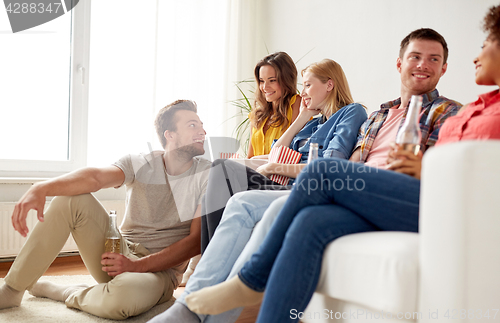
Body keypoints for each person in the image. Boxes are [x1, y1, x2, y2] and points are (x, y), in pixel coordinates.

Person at [184, 13, 500, 323]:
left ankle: (252, 279)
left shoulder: (449, 112)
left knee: (322, 171)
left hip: (406, 195)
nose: (423, 64)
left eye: (433, 59)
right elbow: (352, 165)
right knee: (310, 220)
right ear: (399, 63)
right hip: (362, 193)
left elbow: (453, 171)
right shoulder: (377, 116)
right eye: (415, 56)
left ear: (444, 68)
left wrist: (423, 165)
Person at [0, 100, 212, 320]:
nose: (203, 131)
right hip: (117, 252)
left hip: (158, 273)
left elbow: (195, 241)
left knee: (123, 298)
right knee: (70, 200)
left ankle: (68, 292)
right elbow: (95, 178)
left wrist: (137, 266)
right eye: (192, 125)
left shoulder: (207, 174)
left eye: (201, 125)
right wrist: (41, 187)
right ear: (170, 135)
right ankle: (13, 290)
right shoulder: (140, 162)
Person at [200, 58, 368, 252]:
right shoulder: (315, 123)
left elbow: (329, 165)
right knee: (212, 190)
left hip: (301, 188)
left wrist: (272, 168)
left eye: (307, 85)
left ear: (329, 84)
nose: (302, 92)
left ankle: (212, 258)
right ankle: (212, 259)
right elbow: (276, 153)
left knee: (223, 168)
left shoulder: (351, 112)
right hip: (282, 182)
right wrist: (302, 117)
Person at [247, 51, 301, 159]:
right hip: (256, 174)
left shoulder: (296, 104)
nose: (265, 87)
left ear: (286, 80)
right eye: (261, 81)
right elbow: (250, 157)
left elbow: (294, 154)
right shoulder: (257, 115)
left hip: (281, 174)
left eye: (272, 80)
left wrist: (255, 160)